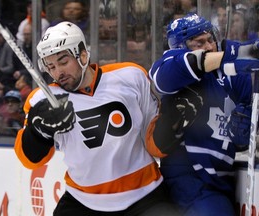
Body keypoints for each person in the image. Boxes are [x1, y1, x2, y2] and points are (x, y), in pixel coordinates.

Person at [14, 21, 179, 215]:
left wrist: (174, 123)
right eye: (50, 66)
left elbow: (154, 140)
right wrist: (38, 131)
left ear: (83, 54)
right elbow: (30, 161)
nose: (58, 72)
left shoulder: (130, 77)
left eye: (63, 62)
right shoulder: (42, 100)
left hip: (145, 195)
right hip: (83, 200)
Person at [148, 13, 259, 216]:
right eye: (199, 42)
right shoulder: (172, 63)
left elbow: (249, 118)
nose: (209, 46)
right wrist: (234, 54)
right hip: (187, 176)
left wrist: (247, 125)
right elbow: (162, 79)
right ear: (181, 46)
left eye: (210, 40)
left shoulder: (234, 75)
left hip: (221, 178)